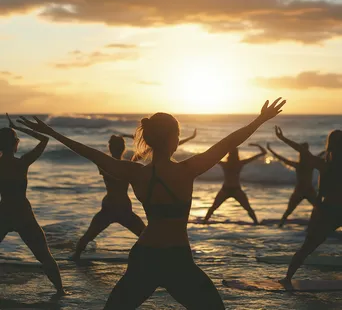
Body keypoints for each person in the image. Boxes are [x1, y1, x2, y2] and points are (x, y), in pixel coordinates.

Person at [17, 97, 285, 309]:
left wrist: (54, 133)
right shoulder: (187, 170)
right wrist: (260, 120)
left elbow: (92, 155)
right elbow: (227, 143)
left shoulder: (136, 173)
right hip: (176, 258)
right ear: (173, 139)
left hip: (145, 255)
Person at [72, 129, 198, 260]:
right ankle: (75, 258)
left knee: (147, 236)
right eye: (119, 146)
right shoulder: (119, 164)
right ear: (119, 148)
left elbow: (158, 147)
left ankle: (75, 257)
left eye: (119, 146)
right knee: (88, 236)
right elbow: (156, 147)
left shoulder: (114, 164)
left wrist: (188, 139)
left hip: (123, 209)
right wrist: (132, 137)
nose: (119, 149)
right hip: (111, 208)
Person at [0, 114, 65, 295]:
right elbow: (44, 139)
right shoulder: (22, 163)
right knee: (44, 256)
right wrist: (19, 128)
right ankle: (61, 291)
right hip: (22, 213)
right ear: (16, 144)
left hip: (3, 212)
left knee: (44, 255)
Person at [279, 130, 342, 288]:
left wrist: (283, 138)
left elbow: (302, 152)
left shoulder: (324, 164)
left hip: (328, 210)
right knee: (308, 245)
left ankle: (287, 278)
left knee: (308, 246)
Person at [268, 126, 325, 227]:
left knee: (320, 209)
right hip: (299, 190)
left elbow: (322, 154)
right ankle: (279, 226)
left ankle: (319, 226)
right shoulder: (301, 164)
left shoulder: (310, 162)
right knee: (289, 210)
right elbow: (282, 159)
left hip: (309, 190)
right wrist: (271, 151)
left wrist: (328, 150)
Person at [204, 143, 267, 224]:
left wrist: (218, 148)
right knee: (248, 209)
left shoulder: (226, 164)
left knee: (213, 208)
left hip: (231, 190)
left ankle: (204, 221)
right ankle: (256, 223)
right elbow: (263, 153)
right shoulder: (238, 163)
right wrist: (257, 146)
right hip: (230, 190)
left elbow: (209, 157)